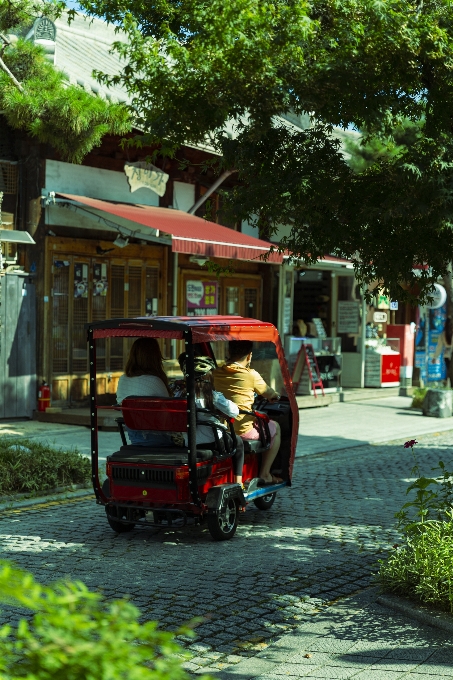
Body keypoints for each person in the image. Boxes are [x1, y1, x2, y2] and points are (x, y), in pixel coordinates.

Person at [213, 340, 282, 485]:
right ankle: (265, 474)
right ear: (249, 356)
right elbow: (269, 393)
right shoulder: (251, 375)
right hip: (242, 430)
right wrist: (275, 395)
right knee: (276, 426)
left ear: (229, 353)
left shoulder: (216, 373)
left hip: (221, 429)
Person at [181, 356, 244, 485]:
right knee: (238, 442)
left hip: (189, 443)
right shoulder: (212, 397)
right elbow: (234, 411)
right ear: (208, 377)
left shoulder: (180, 396)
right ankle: (238, 482)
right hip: (213, 442)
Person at [116, 338, 173, 447]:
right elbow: (169, 412)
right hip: (161, 439)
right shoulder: (154, 381)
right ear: (155, 357)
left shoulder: (123, 379)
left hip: (134, 437)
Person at [433, 317, 453, 385]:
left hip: (447, 355)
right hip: (450, 354)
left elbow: (439, 347)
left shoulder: (442, 334)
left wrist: (435, 357)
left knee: (450, 373)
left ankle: (450, 386)